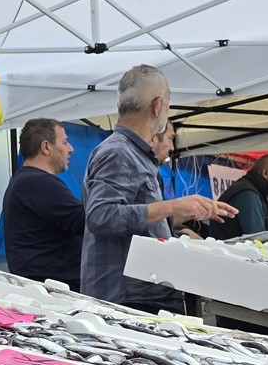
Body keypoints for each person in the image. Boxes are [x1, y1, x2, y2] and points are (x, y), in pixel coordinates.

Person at [81, 65, 236, 314]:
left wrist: (185, 212)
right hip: (128, 298)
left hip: (140, 293)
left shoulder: (132, 153)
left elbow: (135, 218)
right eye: (169, 101)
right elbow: (101, 216)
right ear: (157, 106)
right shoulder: (118, 152)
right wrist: (171, 206)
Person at [2, 119, 84, 291]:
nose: (71, 149)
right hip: (57, 291)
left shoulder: (24, 181)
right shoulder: (39, 183)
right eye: (65, 142)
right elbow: (89, 222)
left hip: (44, 287)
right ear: (46, 147)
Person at [150, 121, 203, 239]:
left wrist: (183, 232)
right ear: (154, 138)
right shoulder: (131, 165)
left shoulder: (156, 175)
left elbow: (158, 221)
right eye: (170, 139)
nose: (172, 148)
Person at [207, 154, 268, 238]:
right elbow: (257, 237)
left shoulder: (255, 190)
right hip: (227, 246)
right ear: (265, 173)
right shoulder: (248, 193)